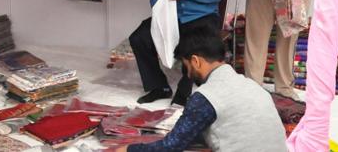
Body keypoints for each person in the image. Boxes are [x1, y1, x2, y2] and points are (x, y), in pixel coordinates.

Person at [117, 27, 287, 152]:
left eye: (186, 66)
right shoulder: (254, 87)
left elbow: (171, 147)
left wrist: (129, 150)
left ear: (196, 61)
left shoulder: (206, 97)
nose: (187, 73)